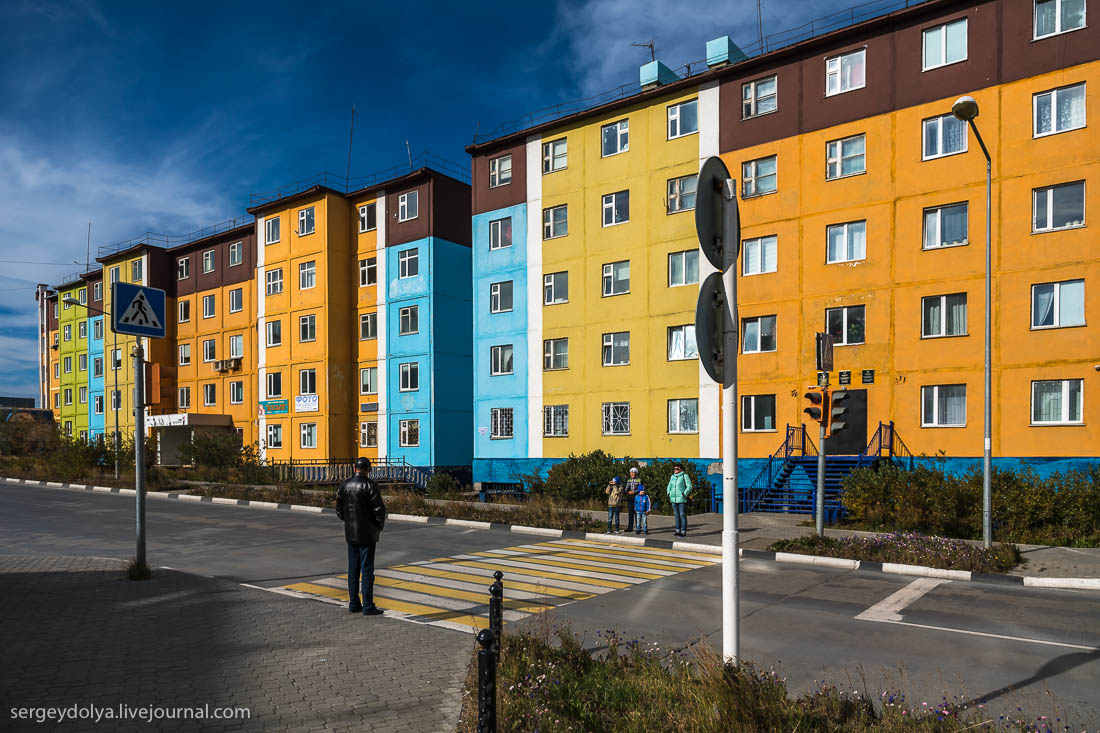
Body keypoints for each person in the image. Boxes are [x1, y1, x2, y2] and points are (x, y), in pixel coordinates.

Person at [336, 457, 387, 616]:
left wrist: (350, 521)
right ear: (369, 469)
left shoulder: (344, 485)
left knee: (353, 570)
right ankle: (368, 606)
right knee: (366, 571)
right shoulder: (370, 485)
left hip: (351, 534)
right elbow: (379, 510)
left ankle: (353, 603)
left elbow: (339, 511)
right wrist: (378, 527)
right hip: (367, 535)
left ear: (354, 467)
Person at [666, 462, 693, 537]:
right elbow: (669, 486)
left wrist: (684, 494)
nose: (675, 470)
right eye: (674, 468)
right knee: (676, 515)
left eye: (677, 469)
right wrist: (668, 493)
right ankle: (677, 530)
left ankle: (683, 531)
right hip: (673, 499)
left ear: (681, 469)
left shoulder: (685, 476)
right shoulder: (672, 477)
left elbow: (689, 486)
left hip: (681, 499)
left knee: (682, 515)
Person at [624, 467, 643, 533]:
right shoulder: (628, 480)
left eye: (634, 473)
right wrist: (627, 492)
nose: (632, 474)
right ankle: (630, 527)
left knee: (637, 513)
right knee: (630, 513)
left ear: (636, 473)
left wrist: (634, 491)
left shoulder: (639, 480)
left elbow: (640, 489)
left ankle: (638, 527)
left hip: (637, 498)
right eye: (631, 473)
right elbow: (626, 488)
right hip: (630, 498)